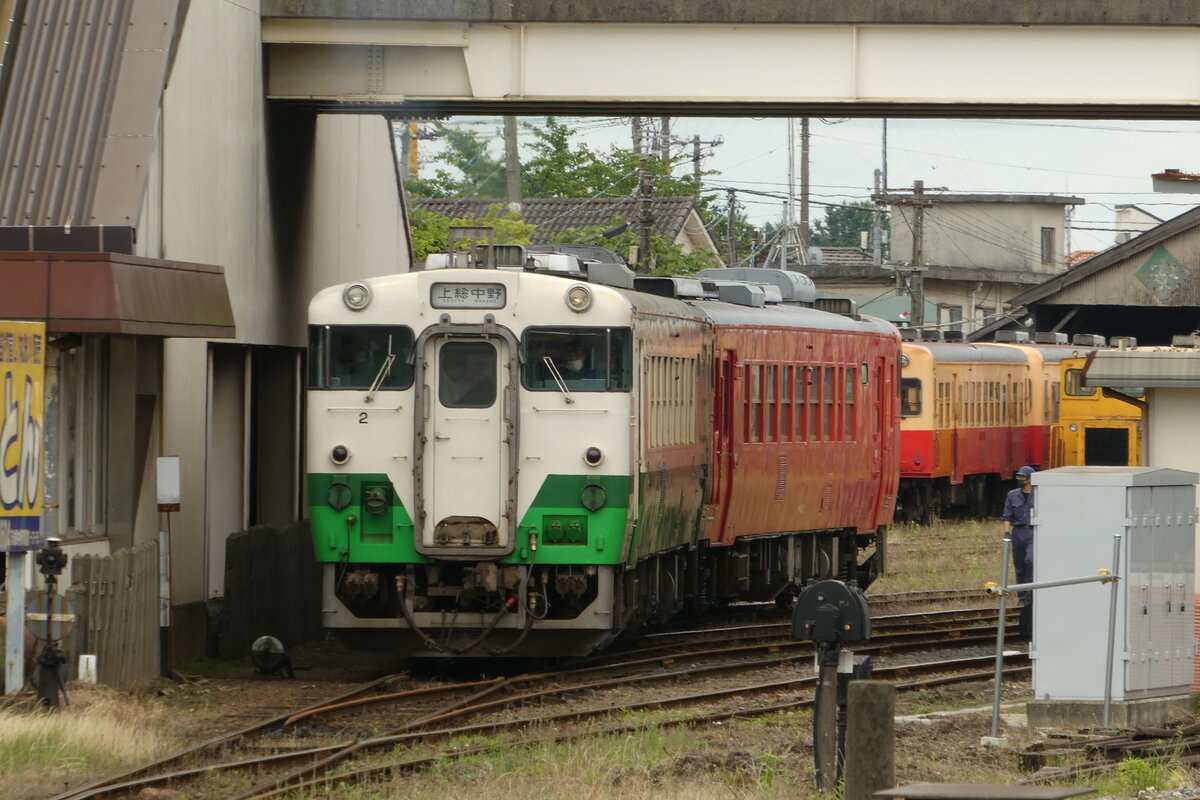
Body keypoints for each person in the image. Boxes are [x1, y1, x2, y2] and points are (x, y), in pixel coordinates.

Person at [1002, 465, 1036, 638]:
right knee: (1020, 564)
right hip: (1018, 533)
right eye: (1019, 476)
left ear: (1030, 478)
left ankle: (1031, 591)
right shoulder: (1012, 495)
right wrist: (1007, 533)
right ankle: (1024, 595)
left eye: (1023, 477)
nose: (1020, 479)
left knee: (1031, 560)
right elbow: (1007, 516)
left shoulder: (1040, 495)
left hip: (1032, 532)